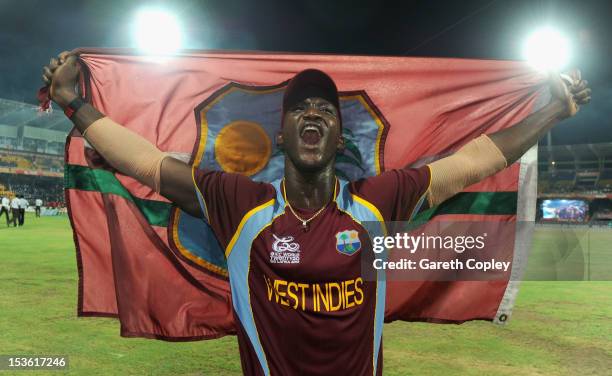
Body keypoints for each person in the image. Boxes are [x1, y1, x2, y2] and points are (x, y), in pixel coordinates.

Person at [43, 51, 590, 375]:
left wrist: (552, 111)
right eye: (300, 108)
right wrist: (73, 102)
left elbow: (470, 163)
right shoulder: (240, 204)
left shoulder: (381, 200)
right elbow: (147, 163)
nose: (312, 114)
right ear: (283, 134)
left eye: (324, 109)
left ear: (337, 133)